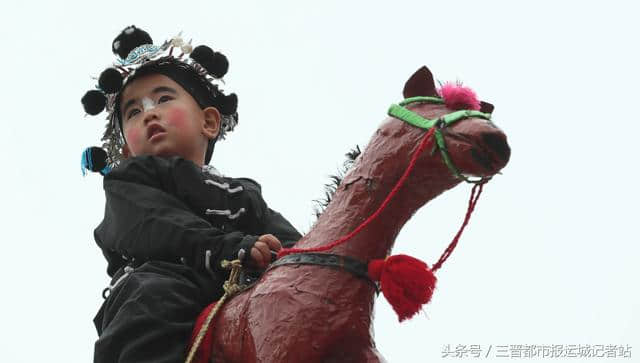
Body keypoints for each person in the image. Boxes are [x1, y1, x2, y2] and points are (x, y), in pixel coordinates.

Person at [80, 26, 301, 363]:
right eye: (133, 112)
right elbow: (156, 223)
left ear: (209, 122)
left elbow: (291, 243)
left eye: (163, 99)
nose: (149, 113)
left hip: (243, 287)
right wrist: (229, 248)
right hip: (162, 286)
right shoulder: (128, 181)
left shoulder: (242, 193)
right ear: (126, 149)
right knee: (149, 300)